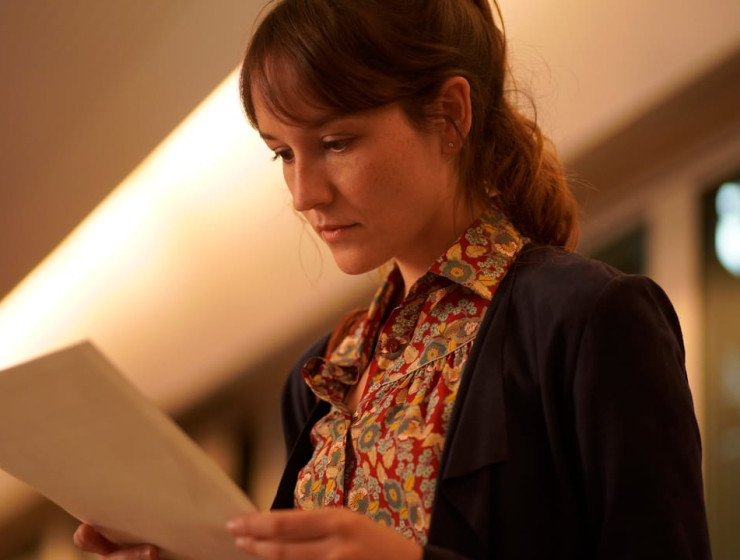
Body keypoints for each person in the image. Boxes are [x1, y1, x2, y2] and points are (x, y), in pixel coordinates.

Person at [73, 0, 712, 558]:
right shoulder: (323, 377)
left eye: (337, 142)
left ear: (450, 115)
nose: (303, 194)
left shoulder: (591, 318)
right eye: (283, 153)